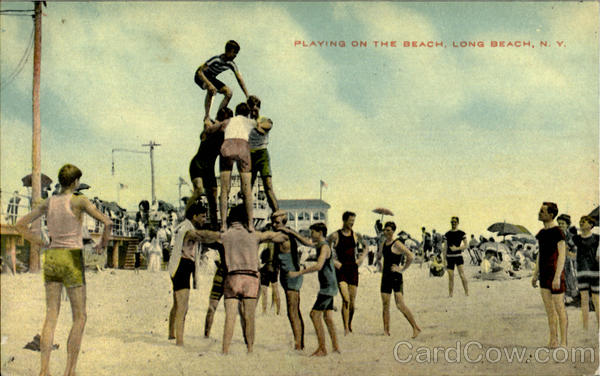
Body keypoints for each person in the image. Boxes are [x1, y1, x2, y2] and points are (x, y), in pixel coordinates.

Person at [16, 164, 112, 376]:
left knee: (51, 315)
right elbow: (107, 221)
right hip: (71, 257)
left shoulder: (49, 202)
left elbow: (20, 224)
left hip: (52, 255)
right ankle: (69, 371)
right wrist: (102, 245)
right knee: (79, 316)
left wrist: (40, 242)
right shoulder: (79, 200)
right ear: (76, 182)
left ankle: (44, 370)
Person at [219, 205, 288, 354]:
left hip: (232, 276)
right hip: (250, 278)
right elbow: (280, 237)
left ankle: (225, 350)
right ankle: (250, 349)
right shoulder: (255, 235)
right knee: (250, 318)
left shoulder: (225, 235)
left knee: (229, 318)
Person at [288, 222, 340, 356]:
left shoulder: (323, 247)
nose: (311, 235)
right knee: (328, 317)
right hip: (329, 285)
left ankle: (322, 349)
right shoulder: (321, 244)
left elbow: (318, 266)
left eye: (313, 232)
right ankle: (335, 347)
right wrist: (292, 232)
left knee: (314, 314)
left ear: (320, 233)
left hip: (327, 286)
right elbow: (306, 242)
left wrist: (298, 273)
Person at [167, 201, 214, 346]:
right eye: (202, 217)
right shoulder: (188, 228)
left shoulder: (186, 225)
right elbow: (200, 236)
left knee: (177, 303)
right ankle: (179, 341)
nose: (204, 220)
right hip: (182, 265)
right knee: (183, 305)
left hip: (180, 265)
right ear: (194, 216)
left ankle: (171, 334)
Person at [188, 107, 233, 229]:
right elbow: (203, 133)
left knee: (213, 201)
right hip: (198, 164)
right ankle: (186, 216)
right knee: (199, 190)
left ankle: (214, 227)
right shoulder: (210, 126)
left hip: (209, 169)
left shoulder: (226, 137)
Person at [216, 102, 258, 232]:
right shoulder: (249, 122)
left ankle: (223, 224)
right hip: (243, 147)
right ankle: (250, 224)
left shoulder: (229, 121)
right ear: (247, 113)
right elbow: (260, 126)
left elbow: (215, 128)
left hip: (227, 146)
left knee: (224, 190)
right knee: (247, 190)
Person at [531, 202, 568, 348]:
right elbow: (540, 255)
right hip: (544, 274)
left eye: (542, 211)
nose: (539, 213)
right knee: (549, 310)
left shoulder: (558, 232)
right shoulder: (542, 233)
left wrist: (558, 276)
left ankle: (564, 342)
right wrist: (535, 274)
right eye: (540, 210)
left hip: (555, 273)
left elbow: (562, 255)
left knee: (559, 308)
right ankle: (553, 340)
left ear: (551, 215)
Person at [327, 211, 368, 335]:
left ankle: (349, 324)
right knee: (345, 299)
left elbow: (367, 246)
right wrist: (334, 261)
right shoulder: (335, 235)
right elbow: (325, 250)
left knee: (352, 303)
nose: (352, 223)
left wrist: (361, 258)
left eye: (353, 221)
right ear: (344, 220)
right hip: (341, 269)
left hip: (353, 269)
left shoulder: (356, 235)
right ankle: (345, 327)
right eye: (350, 221)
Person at [379, 222, 421, 338]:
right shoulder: (383, 243)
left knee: (400, 305)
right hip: (385, 277)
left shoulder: (397, 243)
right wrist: (379, 261)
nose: (386, 232)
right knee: (385, 305)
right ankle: (386, 331)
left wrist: (402, 268)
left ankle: (415, 328)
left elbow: (411, 256)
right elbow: (379, 257)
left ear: (393, 231)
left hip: (396, 277)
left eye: (388, 230)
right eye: (385, 230)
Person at [271, 210, 305, 350]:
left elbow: (307, 242)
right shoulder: (279, 235)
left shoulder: (285, 236)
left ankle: (298, 343)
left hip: (292, 276)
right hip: (286, 276)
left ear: (284, 223)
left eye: (277, 222)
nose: (274, 225)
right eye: (273, 222)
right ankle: (299, 342)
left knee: (292, 311)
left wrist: (290, 231)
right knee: (294, 310)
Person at [195, 40, 249, 121]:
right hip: (201, 77)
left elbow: (239, 79)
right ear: (229, 51)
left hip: (211, 78)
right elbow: (199, 72)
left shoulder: (231, 64)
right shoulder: (216, 59)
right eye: (235, 53)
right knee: (211, 89)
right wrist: (208, 84)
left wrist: (247, 95)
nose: (235, 56)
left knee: (229, 93)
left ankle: (218, 117)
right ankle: (207, 116)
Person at [247, 95, 279, 212]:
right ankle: (245, 215)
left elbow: (264, 128)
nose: (253, 112)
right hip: (249, 154)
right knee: (247, 187)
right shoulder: (246, 121)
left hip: (262, 154)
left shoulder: (265, 120)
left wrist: (254, 123)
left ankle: (277, 213)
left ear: (259, 108)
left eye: (256, 110)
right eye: (251, 110)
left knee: (268, 186)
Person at [572, 215, 599, 330]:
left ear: (591, 225)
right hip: (582, 271)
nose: (581, 223)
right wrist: (574, 257)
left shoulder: (598, 238)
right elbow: (566, 249)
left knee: (596, 300)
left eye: (584, 221)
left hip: (595, 272)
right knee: (584, 300)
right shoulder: (575, 238)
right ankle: (585, 327)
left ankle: (599, 326)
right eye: (580, 221)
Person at [442, 216, 469, 297]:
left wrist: (457, 248)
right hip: (449, 257)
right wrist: (444, 259)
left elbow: (466, 245)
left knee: (461, 274)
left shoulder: (461, 233)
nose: (453, 223)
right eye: (452, 222)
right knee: (451, 276)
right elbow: (445, 248)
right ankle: (450, 294)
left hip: (458, 256)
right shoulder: (447, 234)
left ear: (458, 223)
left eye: (455, 222)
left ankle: (466, 292)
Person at [557, 214, 578, 305]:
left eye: (563, 224)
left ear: (567, 225)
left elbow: (575, 248)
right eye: (559, 224)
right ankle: (562, 297)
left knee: (569, 277)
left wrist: (570, 252)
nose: (561, 226)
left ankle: (569, 296)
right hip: (557, 259)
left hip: (569, 260)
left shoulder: (571, 236)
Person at [258, 241, 281, 315]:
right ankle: (278, 311)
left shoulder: (263, 242)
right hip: (273, 267)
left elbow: (260, 256)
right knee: (275, 289)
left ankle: (264, 311)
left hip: (265, 267)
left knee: (265, 290)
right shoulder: (276, 243)